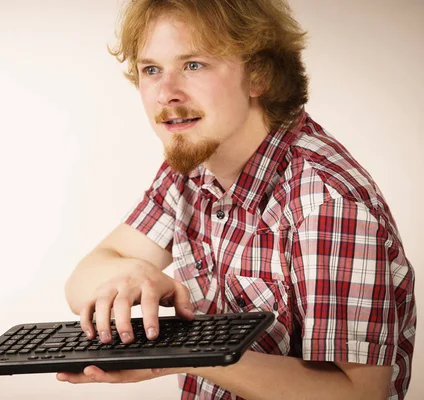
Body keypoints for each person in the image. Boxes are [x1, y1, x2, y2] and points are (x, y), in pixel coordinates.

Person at [58, 0, 416, 399]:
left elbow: (358, 395)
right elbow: (82, 281)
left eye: (193, 65)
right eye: (151, 70)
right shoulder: (191, 168)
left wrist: (183, 351)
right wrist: (125, 278)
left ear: (258, 76)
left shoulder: (326, 204)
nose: (166, 94)